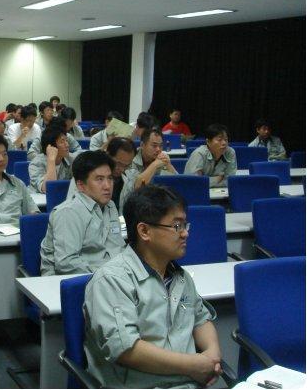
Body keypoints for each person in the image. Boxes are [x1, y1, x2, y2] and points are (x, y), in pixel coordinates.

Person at [84, 184, 221, 388]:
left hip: (190, 382)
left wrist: (212, 354)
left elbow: (201, 319)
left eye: (185, 225)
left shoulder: (179, 276)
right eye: (176, 226)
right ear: (144, 231)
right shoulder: (113, 279)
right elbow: (127, 349)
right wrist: (193, 365)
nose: (184, 234)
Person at [39, 150, 125, 275]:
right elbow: (66, 263)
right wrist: (107, 274)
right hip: (72, 281)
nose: (107, 186)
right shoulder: (69, 212)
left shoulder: (110, 206)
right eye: (99, 179)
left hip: (108, 277)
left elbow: (117, 247)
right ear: (80, 185)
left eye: (110, 178)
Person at [119, 128, 177, 209]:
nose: (158, 149)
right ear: (142, 145)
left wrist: (169, 165)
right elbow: (136, 188)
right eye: (154, 145)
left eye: (160, 146)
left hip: (156, 206)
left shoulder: (161, 160)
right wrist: (154, 165)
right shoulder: (131, 159)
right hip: (133, 206)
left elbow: (176, 186)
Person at [29, 128, 76, 194]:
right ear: (51, 146)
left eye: (66, 141)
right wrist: (51, 160)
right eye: (62, 142)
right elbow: (48, 188)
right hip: (40, 202)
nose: (67, 145)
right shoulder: (36, 163)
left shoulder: (70, 159)